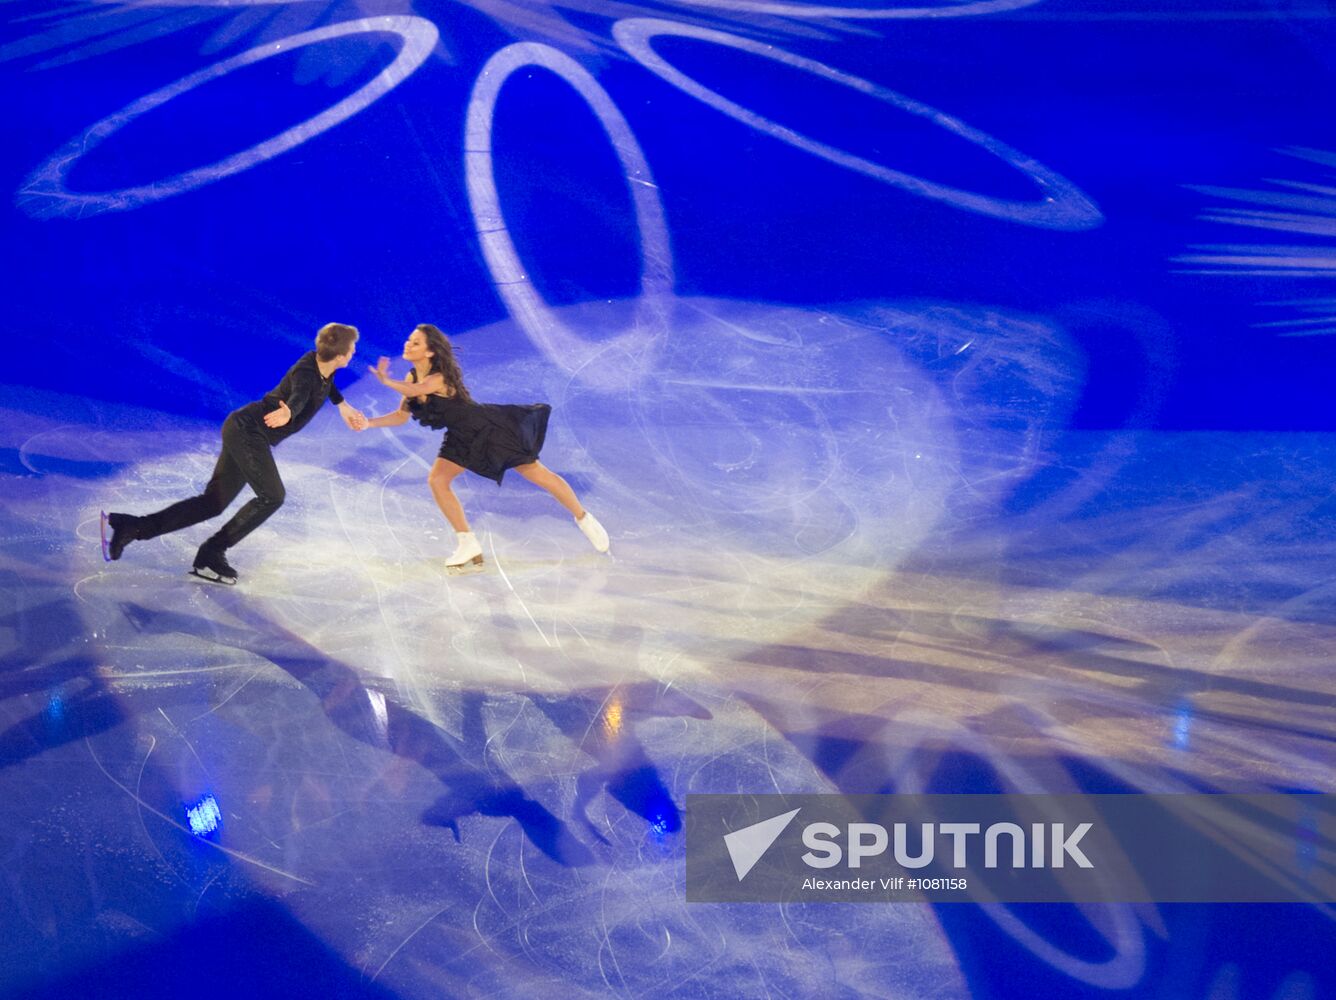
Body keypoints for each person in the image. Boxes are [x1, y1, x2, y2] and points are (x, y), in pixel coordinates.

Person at [102, 323, 366, 584]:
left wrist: (343, 405)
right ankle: (212, 551)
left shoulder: (320, 363)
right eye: (352, 349)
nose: (354, 352)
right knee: (273, 496)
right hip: (248, 432)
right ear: (341, 356)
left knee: (213, 502)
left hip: (243, 429)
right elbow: (300, 393)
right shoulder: (306, 373)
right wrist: (289, 411)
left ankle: (133, 527)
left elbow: (324, 384)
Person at [360, 323, 609, 570]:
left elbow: (420, 390)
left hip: (486, 429)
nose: (408, 344)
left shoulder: (439, 377)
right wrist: (367, 423)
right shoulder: (411, 377)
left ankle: (583, 518)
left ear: (430, 352)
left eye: (415, 342)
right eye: (409, 340)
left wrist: (386, 381)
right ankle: (467, 542)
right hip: (459, 435)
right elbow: (400, 416)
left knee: (535, 473)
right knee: (437, 480)